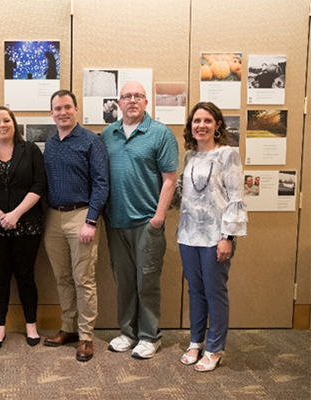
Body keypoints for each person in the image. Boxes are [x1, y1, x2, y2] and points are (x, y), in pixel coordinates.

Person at [102, 81, 179, 359]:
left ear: (146, 102)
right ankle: (127, 332)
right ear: (118, 103)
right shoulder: (107, 134)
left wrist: (158, 219)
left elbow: (170, 180)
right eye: (126, 96)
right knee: (124, 281)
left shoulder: (160, 133)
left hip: (147, 222)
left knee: (147, 281)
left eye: (138, 96)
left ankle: (149, 336)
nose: (132, 100)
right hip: (115, 222)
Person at [178, 102, 248, 372]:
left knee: (214, 292)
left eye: (207, 120)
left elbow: (236, 197)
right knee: (195, 290)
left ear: (217, 125)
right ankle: (196, 341)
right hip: (188, 234)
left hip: (215, 237)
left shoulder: (228, 155)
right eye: (197, 121)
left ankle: (215, 347)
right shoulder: (189, 156)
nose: (201, 125)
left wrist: (227, 237)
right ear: (191, 126)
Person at [0, 106, 46, 350]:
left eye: (6, 120)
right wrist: (2, 215)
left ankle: (31, 326)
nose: (1, 125)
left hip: (28, 224)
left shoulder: (30, 150)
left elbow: (39, 184)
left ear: (14, 124)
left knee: (26, 276)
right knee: (0, 277)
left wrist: (16, 214)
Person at [43, 90, 109, 362]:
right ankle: (68, 328)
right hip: (53, 218)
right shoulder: (50, 142)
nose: (62, 112)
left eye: (67, 107)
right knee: (62, 278)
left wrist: (91, 221)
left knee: (84, 279)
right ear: (52, 113)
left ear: (76, 109)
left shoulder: (91, 141)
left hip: (82, 217)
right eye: (57, 108)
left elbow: (102, 183)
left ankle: (85, 336)